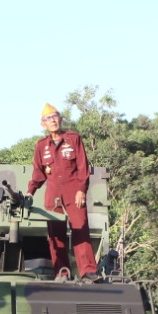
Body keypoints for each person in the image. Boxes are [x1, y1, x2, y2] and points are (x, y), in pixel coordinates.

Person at [26, 104, 99, 280]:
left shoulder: (73, 139)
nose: (52, 120)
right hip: (53, 193)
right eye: (47, 118)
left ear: (61, 119)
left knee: (80, 228)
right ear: (43, 124)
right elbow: (38, 172)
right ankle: (61, 272)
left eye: (54, 116)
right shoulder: (41, 146)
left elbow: (83, 168)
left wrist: (81, 190)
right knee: (55, 234)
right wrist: (30, 192)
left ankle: (88, 270)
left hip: (73, 190)